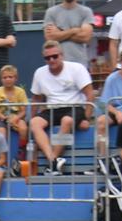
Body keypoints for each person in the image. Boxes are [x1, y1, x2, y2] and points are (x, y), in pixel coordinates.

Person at [30, 40, 94, 175]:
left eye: (55, 56)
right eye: (47, 58)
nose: (51, 60)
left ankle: (52, 163)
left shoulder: (76, 68)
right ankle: (53, 161)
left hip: (74, 106)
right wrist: (32, 117)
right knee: (34, 123)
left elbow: (89, 94)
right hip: (52, 108)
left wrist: (87, 117)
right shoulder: (39, 73)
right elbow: (36, 98)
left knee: (67, 121)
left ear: (62, 55)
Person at [43, 0, 94, 66]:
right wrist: (74, 31)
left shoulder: (86, 11)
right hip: (57, 63)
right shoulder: (51, 12)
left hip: (80, 63)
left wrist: (59, 33)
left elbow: (86, 38)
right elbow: (49, 38)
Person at [0, 65, 30, 165]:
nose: (8, 79)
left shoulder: (20, 92)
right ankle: (2, 158)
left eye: (10, 77)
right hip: (2, 119)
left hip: (16, 118)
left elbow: (23, 111)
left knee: (24, 128)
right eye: (5, 77)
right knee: (1, 133)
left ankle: (22, 151)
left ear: (15, 78)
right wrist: (5, 119)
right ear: (1, 79)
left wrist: (15, 118)